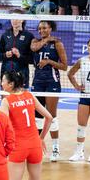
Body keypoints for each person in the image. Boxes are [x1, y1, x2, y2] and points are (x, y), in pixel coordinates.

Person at [0, 71, 53, 180]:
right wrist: (41, 138)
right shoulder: (30, 96)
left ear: (11, 84)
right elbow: (49, 117)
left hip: (18, 147)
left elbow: (3, 126)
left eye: (3, 81)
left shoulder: (6, 101)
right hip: (34, 145)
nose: (1, 83)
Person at [31, 21, 68, 162]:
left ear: (50, 29)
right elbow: (34, 48)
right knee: (37, 117)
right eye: (39, 28)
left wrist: (50, 62)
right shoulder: (35, 41)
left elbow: (64, 66)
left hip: (52, 82)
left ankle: (55, 148)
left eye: (44, 28)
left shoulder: (57, 43)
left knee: (52, 116)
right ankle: (37, 147)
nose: (41, 30)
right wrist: (46, 40)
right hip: (37, 82)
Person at [0, 14, 34, 90]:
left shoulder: (29, 36)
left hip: (22, 75)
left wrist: (19, 55)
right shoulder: (5, 35)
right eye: (12, 18)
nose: (14, 20)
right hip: (6, 74)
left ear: (22, 20)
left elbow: (32, 59)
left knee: (21, 100)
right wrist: (5, 55)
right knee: (6, 99)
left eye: (17, 18)